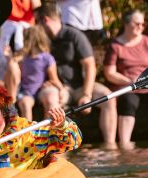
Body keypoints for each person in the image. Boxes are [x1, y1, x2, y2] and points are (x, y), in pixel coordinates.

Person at [33, 3, 117, 147]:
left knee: (108, 98)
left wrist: (86, 94)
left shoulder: (74, 35)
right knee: (52, 99)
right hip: (54, 87)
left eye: (37, 22)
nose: (35, 25)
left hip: (79, 86)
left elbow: (90, 65)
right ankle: (54, 151)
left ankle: (110, 146)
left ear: (45, 20)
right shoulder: (39, 38)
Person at [103, 9, 148, 149]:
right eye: (137, 23)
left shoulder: (146, 42)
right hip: (127, 88)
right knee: (129, 101)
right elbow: (110, 73)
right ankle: (125, 144)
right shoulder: (115, 46)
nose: (141, 27)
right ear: (126, 24)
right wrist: (130, 81)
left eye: (143, 24)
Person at [5, 25, 65, 120]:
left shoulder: (47, 58)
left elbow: (54, 79)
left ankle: (46, 131)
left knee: (49, 103)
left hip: (40, 90)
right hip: (26, 92)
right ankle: (28, 132)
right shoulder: (22, 58)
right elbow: (15, 77)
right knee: (25, 104)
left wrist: (61, 90)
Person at [0, 0, 41, 84]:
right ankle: (5, 84)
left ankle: (22, 83)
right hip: (8, 28)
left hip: (26, 30)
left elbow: (37, 9)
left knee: (24, 59)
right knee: (5, 59)